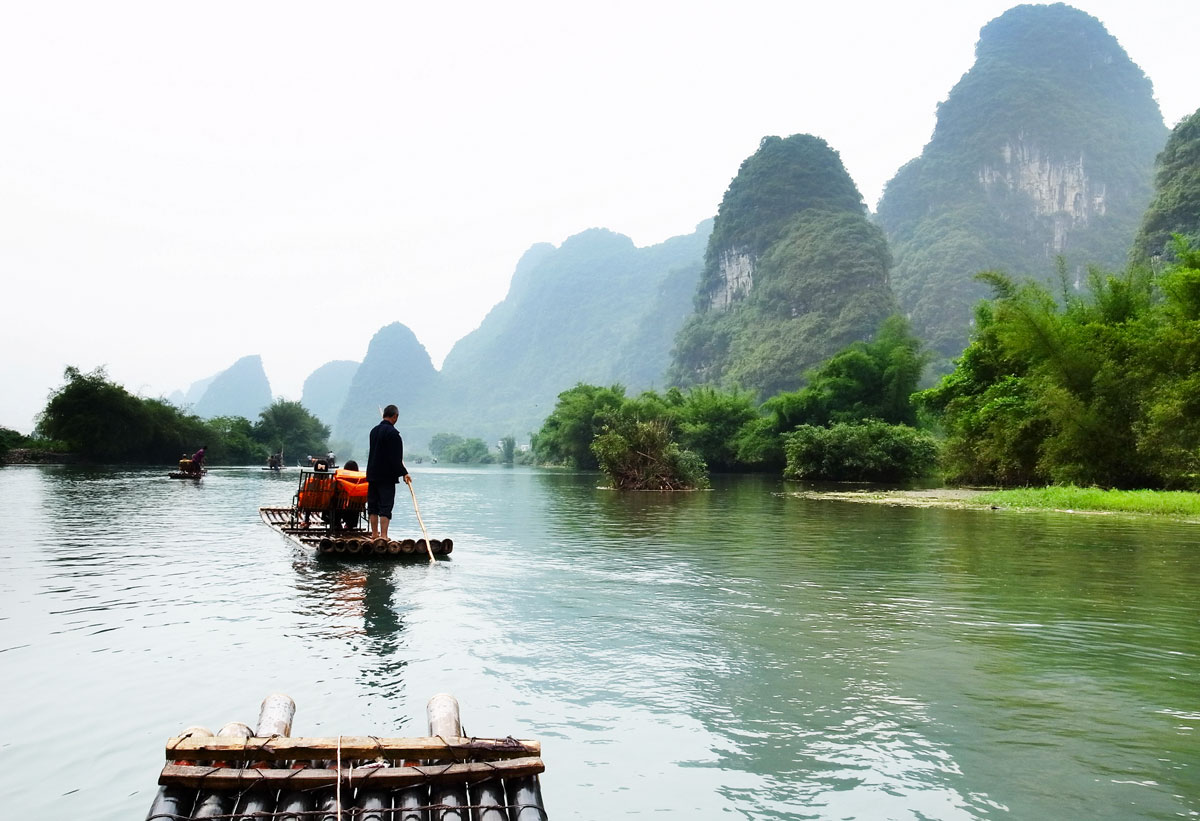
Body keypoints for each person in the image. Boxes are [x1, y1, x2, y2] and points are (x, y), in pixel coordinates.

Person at [366, 405, 410, 540]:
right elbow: (396, 458)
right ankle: (383, 536)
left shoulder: (373, 431)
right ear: (395, 416)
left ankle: (374, 534)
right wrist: (404, 473)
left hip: (372, 474)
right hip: (386, 476)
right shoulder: (394, 434)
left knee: (373, 504)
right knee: (386, 505)